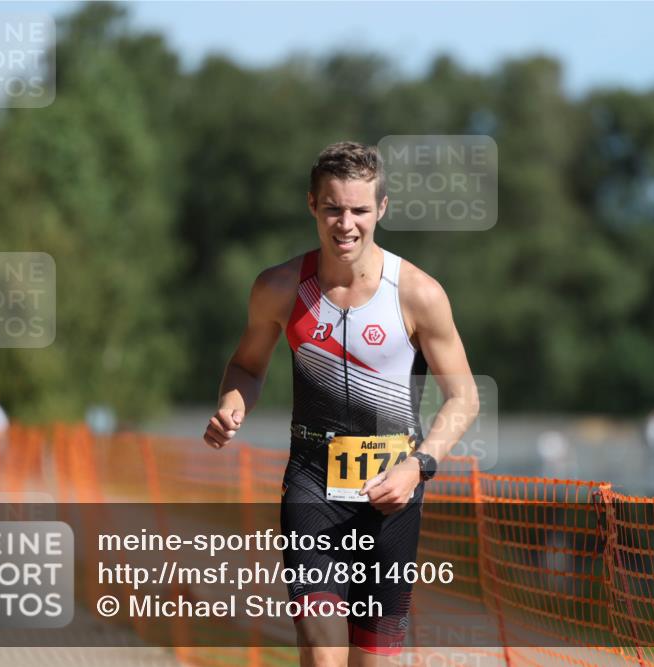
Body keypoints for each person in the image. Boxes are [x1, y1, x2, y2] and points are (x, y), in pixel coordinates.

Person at [203, 141, 479, 666]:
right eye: (333, 208)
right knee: (324, 653)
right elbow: (246, 366)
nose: (345, 224)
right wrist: (233, 403)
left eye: (359, 210)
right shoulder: (280, 287)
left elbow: (463, 397)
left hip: (393, 490)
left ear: (382, 209)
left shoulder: (418, 294)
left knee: (372, 660)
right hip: (311, 481)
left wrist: (419, 467)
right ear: (312, 205)